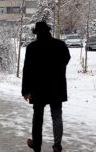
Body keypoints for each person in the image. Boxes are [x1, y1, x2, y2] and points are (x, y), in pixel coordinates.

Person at [22, 21, 71, 152]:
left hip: (38, 88)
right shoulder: (60, 45)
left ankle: (36, 145)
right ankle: (57, 146)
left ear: (36, 33)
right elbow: (67, 59)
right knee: (57, 116)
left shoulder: (32, 47)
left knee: (37, 118)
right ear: (48, 31)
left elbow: (27, 70)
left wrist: (25, 91)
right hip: (57, 87)